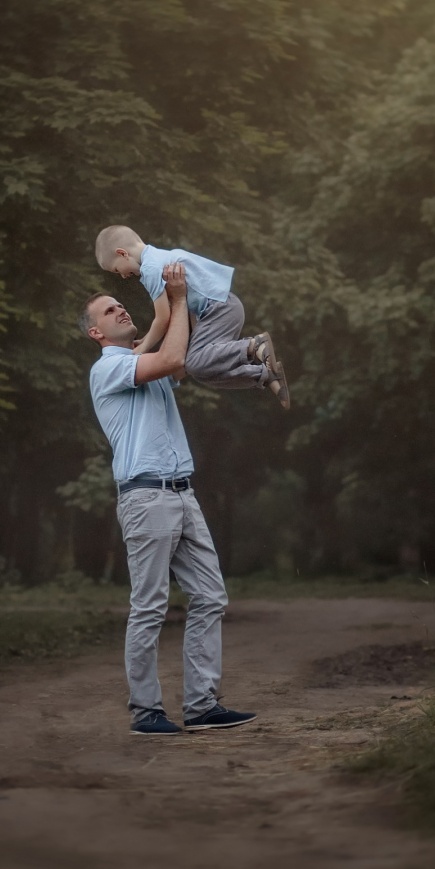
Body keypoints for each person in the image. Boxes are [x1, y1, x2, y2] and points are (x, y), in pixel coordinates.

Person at [80, 262, 257, 735]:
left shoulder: (137, 356)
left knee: (210, 597)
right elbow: (176, 357)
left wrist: (163, 287)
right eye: (109, 310)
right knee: (150, 606)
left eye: (120, 303)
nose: (120, 309)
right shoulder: (111, 367)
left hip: (182, 494)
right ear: (96, 332)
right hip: (146, 498)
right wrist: (177, 301)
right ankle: (146, 712)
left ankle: (201, 707)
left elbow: (161, 333)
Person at [94, 224, 290, 409]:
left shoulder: (150, 269)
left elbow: (162, 318)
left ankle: (254, 346)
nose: (122, 275)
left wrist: (143, 349)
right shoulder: (160, 257)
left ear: (122, 253)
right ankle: (264, 375)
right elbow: (172, 318)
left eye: (117, 270)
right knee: (202, 371)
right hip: (220, 310)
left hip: (218, 309)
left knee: (195, 362)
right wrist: (146, 339)